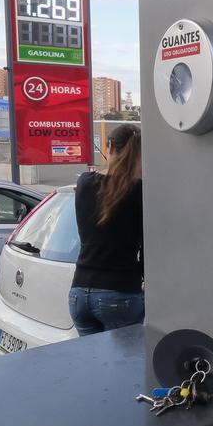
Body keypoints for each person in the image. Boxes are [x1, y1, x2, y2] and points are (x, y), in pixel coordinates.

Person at [68, 125, 144, 336]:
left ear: (109, 147)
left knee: (96, 364)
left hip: (79, 292)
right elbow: (148, 245)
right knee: (126, 365)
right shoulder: (140, 192)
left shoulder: (84, 182)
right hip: (120, 292)